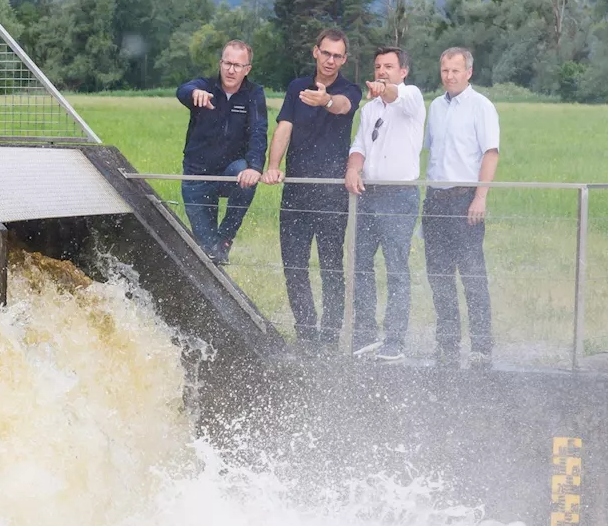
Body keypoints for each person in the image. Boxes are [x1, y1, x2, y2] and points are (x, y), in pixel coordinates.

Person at [262, 28, 362, 349]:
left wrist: (327, 100)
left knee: (332, 268)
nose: (331, 60)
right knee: (295, 266)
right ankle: (306, 332)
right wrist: (273, 165)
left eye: (338, 55)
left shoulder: (351, 89)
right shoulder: (296, 88)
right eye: (326, 53)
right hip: (296, 192)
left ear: (344, 59)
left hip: (332, 195)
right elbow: (284, 128)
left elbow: (344, 106)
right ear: (315, 52)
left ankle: (330, 337)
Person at [344, 46, 426, 362]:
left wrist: (387, 89)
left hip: (399, 196)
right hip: (367, 194)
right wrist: (353, 167)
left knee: (396, 269)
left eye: (389, 66)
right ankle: (366, 335)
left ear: (402, 71)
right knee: (360, 264)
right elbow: (360, 144)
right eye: (378, 66)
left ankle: (395, 341)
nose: (382, 71)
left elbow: (396, 95)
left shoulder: (412, 98)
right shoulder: (369, 109)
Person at [423, 46, 501, 368]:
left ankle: (481, 347)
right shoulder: (435, 107)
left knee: (472, 275)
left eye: (456, 70)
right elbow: (429, 151)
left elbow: (491, 153)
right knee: (439, 276)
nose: (450, 76)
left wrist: (480, 197)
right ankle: (447, 343)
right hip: (435, 200)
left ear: (468, 72)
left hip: (464, 200)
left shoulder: (481, 106)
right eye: (445, 71)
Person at [176, 40, 268, 265]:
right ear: (220, 63)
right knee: (208, 253)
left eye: (238, 65)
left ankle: (226, 237)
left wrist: (255, 168)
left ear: (247, 69)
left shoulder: (254, 94)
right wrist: (194, 93)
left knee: (245, 174)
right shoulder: (205, 87)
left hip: (230, 171)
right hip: (197, 175)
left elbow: (259, 131)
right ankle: (216, 258)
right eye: (227, 63)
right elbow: (183, 90)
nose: (231, 70)